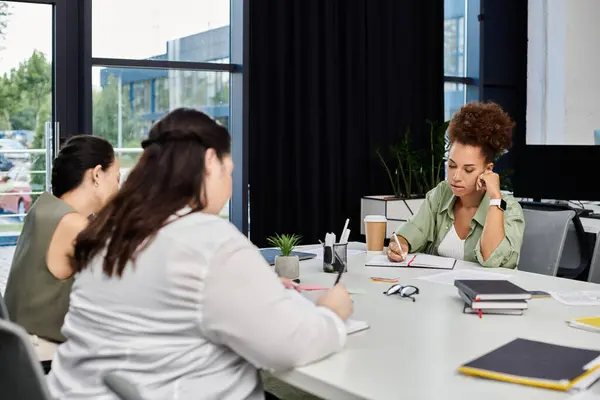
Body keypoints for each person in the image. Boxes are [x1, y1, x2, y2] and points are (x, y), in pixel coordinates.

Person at [47, 108, 353, 399]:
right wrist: (330, 313)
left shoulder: (109, 229)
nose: (230, 186)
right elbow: (289, 346)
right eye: (229, 171)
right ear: (210, 162)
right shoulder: (208, 239)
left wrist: (256, 291)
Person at [4, 135, 119, 358]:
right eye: (117, 178)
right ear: (96, 175)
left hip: (17, 350)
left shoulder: (44, 209)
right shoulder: (74, 226)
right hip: (43, 355)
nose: (118, 188)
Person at [387, 102, 525, 268]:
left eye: (468, 169)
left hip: (486, 292)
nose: (456, 177)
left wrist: (495, 199)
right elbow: (410, 233)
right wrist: (400, 244)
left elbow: (493, 260)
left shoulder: (509, 209)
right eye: (452, 165)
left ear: (488, 170)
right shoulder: (442, 194)